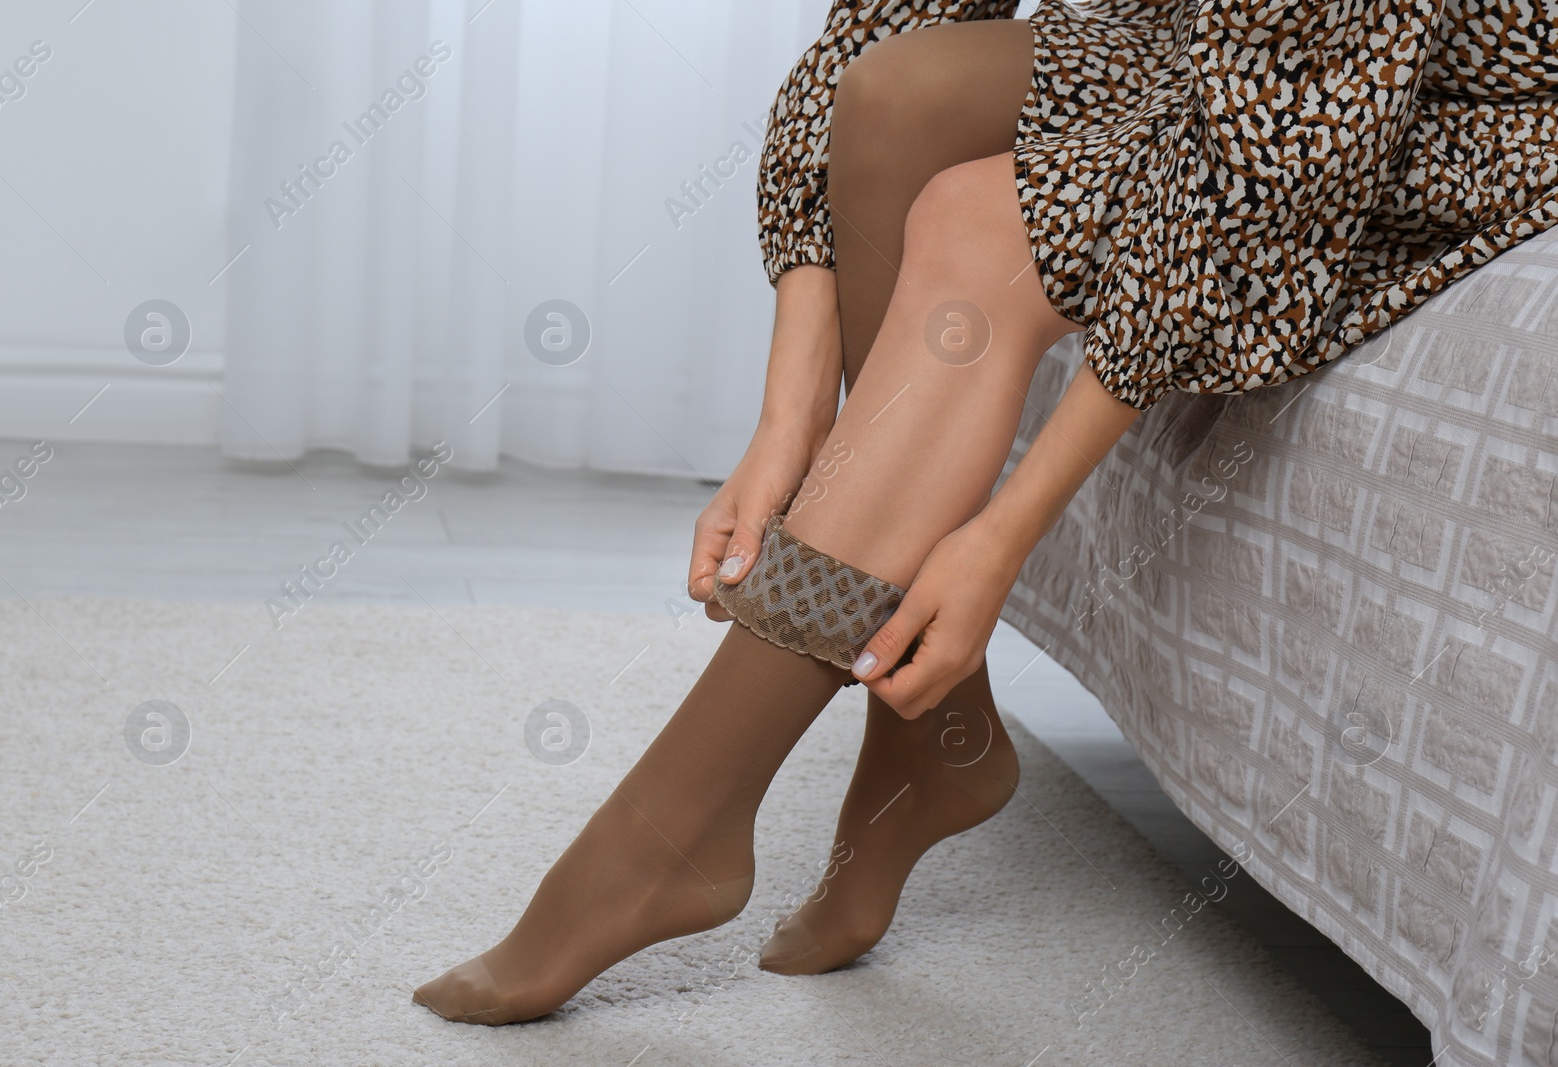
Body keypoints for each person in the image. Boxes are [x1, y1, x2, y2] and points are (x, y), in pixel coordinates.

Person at [413, 0, 1558, 1024]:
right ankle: (934, 732)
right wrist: (787, 417)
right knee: (896, 91)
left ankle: (668, 834)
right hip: (1199, 40)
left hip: (1429, 91)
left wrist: (1000, 532)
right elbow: (884, 21)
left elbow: (1278, 158)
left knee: (973, 220)